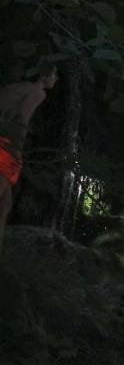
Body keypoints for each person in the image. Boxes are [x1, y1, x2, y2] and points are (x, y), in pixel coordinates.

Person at [0, 65, 57, 252]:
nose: (55, 79)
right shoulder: (37, 92)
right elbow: (22, 120)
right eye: (54, 74)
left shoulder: (18, 87)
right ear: (44, 76)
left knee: (6, 204)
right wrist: (16, 151)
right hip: (5, 145)